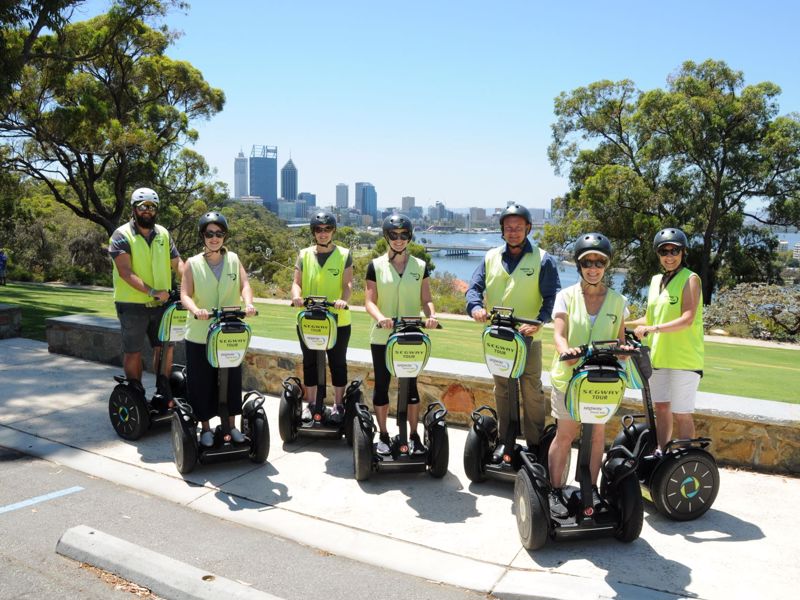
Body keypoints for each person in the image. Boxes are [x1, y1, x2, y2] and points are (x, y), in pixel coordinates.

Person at [466, 204, 561, 460]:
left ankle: (535, 445)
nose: (513, 232)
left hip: (528, 337)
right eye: (509, 227)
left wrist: (539, 321)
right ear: (502, 230)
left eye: (518, 227)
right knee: (502, 388)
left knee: (531, 390)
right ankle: (505, 442)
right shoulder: (491, 257)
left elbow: (551, 298)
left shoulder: (543, 259)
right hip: (498, 337)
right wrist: (475, 307)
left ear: (528, 228)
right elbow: (474, 288)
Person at [547, 233, 629, 517]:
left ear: (606, 265)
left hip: (601, 381)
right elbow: (559, 334)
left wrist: (624, 351)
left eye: (599, 263)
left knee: (596, 436)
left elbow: (620, 340)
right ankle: (555, 490)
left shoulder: (618, 301)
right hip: (569, 379)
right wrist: (566, 351)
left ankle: (590, 490)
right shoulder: (565, 297)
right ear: (579, 265)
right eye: (587, 263)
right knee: (566, 434)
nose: (593, 268)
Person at [180, 211, 257, 447]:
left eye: (219, 233)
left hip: (228, 332)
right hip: (200, 334)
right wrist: (196, 310)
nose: (214, 238)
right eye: (209, 234)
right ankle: (205, 428)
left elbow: (245, 284)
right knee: (201, 382)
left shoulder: (233, 259)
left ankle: (231, 426)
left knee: (231, 381)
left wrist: (248, 303)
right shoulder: (192, 263)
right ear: (202, 236)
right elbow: (185, 294)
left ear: (225, 236)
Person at [365, 214, 438, 455]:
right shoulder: (375, 266)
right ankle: (384, 435)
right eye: (394, 235)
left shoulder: (419, 266)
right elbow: (369, 301)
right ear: (387, 237)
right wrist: (380, 318)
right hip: (382, 336)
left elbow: (426, 299)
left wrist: (431, 315)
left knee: (411, 386)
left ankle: (414, 435)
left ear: (409, 237)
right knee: (382, 384)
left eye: (404, 235)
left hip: (411, 336)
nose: (399, 239)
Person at [627, 227, 703, 451]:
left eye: (674, 251)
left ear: (683, 252)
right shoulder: (655, 281)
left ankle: (684, 461)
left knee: (681, 413)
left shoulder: (691, 279)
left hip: (684, 359)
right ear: (658, 254)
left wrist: (653, 328)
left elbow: (687, 318)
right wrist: (622, 325)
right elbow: (649, 318)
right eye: (664, 252)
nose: (669, 256)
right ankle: (662, 454)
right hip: (658, 357)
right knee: (661, 409)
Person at [108, 187, 183, 390]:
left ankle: (162, 391)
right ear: (134, 209)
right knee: (133, 351)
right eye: (143, 207)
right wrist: (152, 292)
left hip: (162, 305)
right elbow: (125, 272)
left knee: (165, 348)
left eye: (152, 207)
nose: (147, 211)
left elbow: (178, 264)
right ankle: (136, 392)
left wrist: (189, 286)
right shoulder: (121, 235)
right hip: (132, 305)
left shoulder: (163, 234)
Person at [290, 210, 353, 423]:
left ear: (333, 231)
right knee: (309, 361)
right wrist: (296, 296)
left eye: (327, 229)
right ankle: (310, 404)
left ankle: (338, 405)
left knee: (337, 362)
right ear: (313, 232)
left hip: (337, 320)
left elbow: (347, 284)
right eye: (318, 229)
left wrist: (343, 300)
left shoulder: (344, 254)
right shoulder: (304, 254)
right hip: (309, 319)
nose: (323, 233)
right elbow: (296, 283)